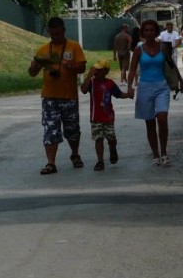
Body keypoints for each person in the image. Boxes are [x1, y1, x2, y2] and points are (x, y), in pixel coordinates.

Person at [28, 16, 87, 174]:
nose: (56, 37)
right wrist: (34, 66)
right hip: (49, 97)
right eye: (53, 34)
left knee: (72, 129)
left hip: (69, 96)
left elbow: (82, 67)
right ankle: (51, 163)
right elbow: (32, 73)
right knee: (50, 130)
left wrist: (70, 65)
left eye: (58, 34)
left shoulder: (74, 47)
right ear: (49, 32)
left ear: (64, 31)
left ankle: (75, 154)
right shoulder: (43, 50)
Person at [127, 20, 183, 167]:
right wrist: (129, 86)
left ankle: (164, 152)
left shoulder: (163, 47)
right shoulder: (139, 50)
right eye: (146, 30)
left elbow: (171, 64)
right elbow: (132, 69)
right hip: (144, 87)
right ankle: (155, 154)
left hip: (161, 87)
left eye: (152, 30)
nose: (149, 33)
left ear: (156, 32)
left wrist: (180, 81)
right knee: (150, 122)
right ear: (143, 33)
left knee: (162, 118)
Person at [81, 59, 131, 171]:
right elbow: (83, 90)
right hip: (96, 117)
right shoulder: (92, 83)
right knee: (98, 139)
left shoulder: (110, 83)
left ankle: (112, 148)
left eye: (99, 70)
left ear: (105, 71)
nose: (96, 72)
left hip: (108, 117)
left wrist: (128, 95)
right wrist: (89, 75)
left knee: (111, 138)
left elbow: (119, 94)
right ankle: (100, 161)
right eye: (95, 69)